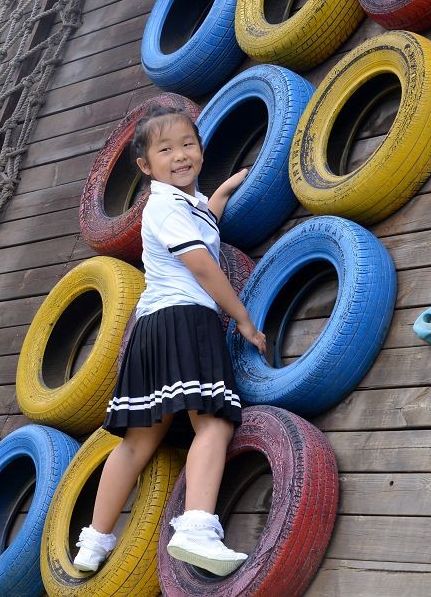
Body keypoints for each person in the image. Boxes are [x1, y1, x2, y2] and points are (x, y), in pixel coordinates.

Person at [72, 104, 267, 577]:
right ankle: (196, 529)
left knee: (139, 442)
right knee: (215, 424)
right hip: (185, 321)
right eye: (166, 150)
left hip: (153, 329)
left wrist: (220, 192)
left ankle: (93, 543)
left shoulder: (183, 206)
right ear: (145, 166)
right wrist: (242, 319)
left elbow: (205, 226)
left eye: (188, 145)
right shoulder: (162, 207)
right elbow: (202, 264)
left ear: (200, 150)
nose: (180, 156)